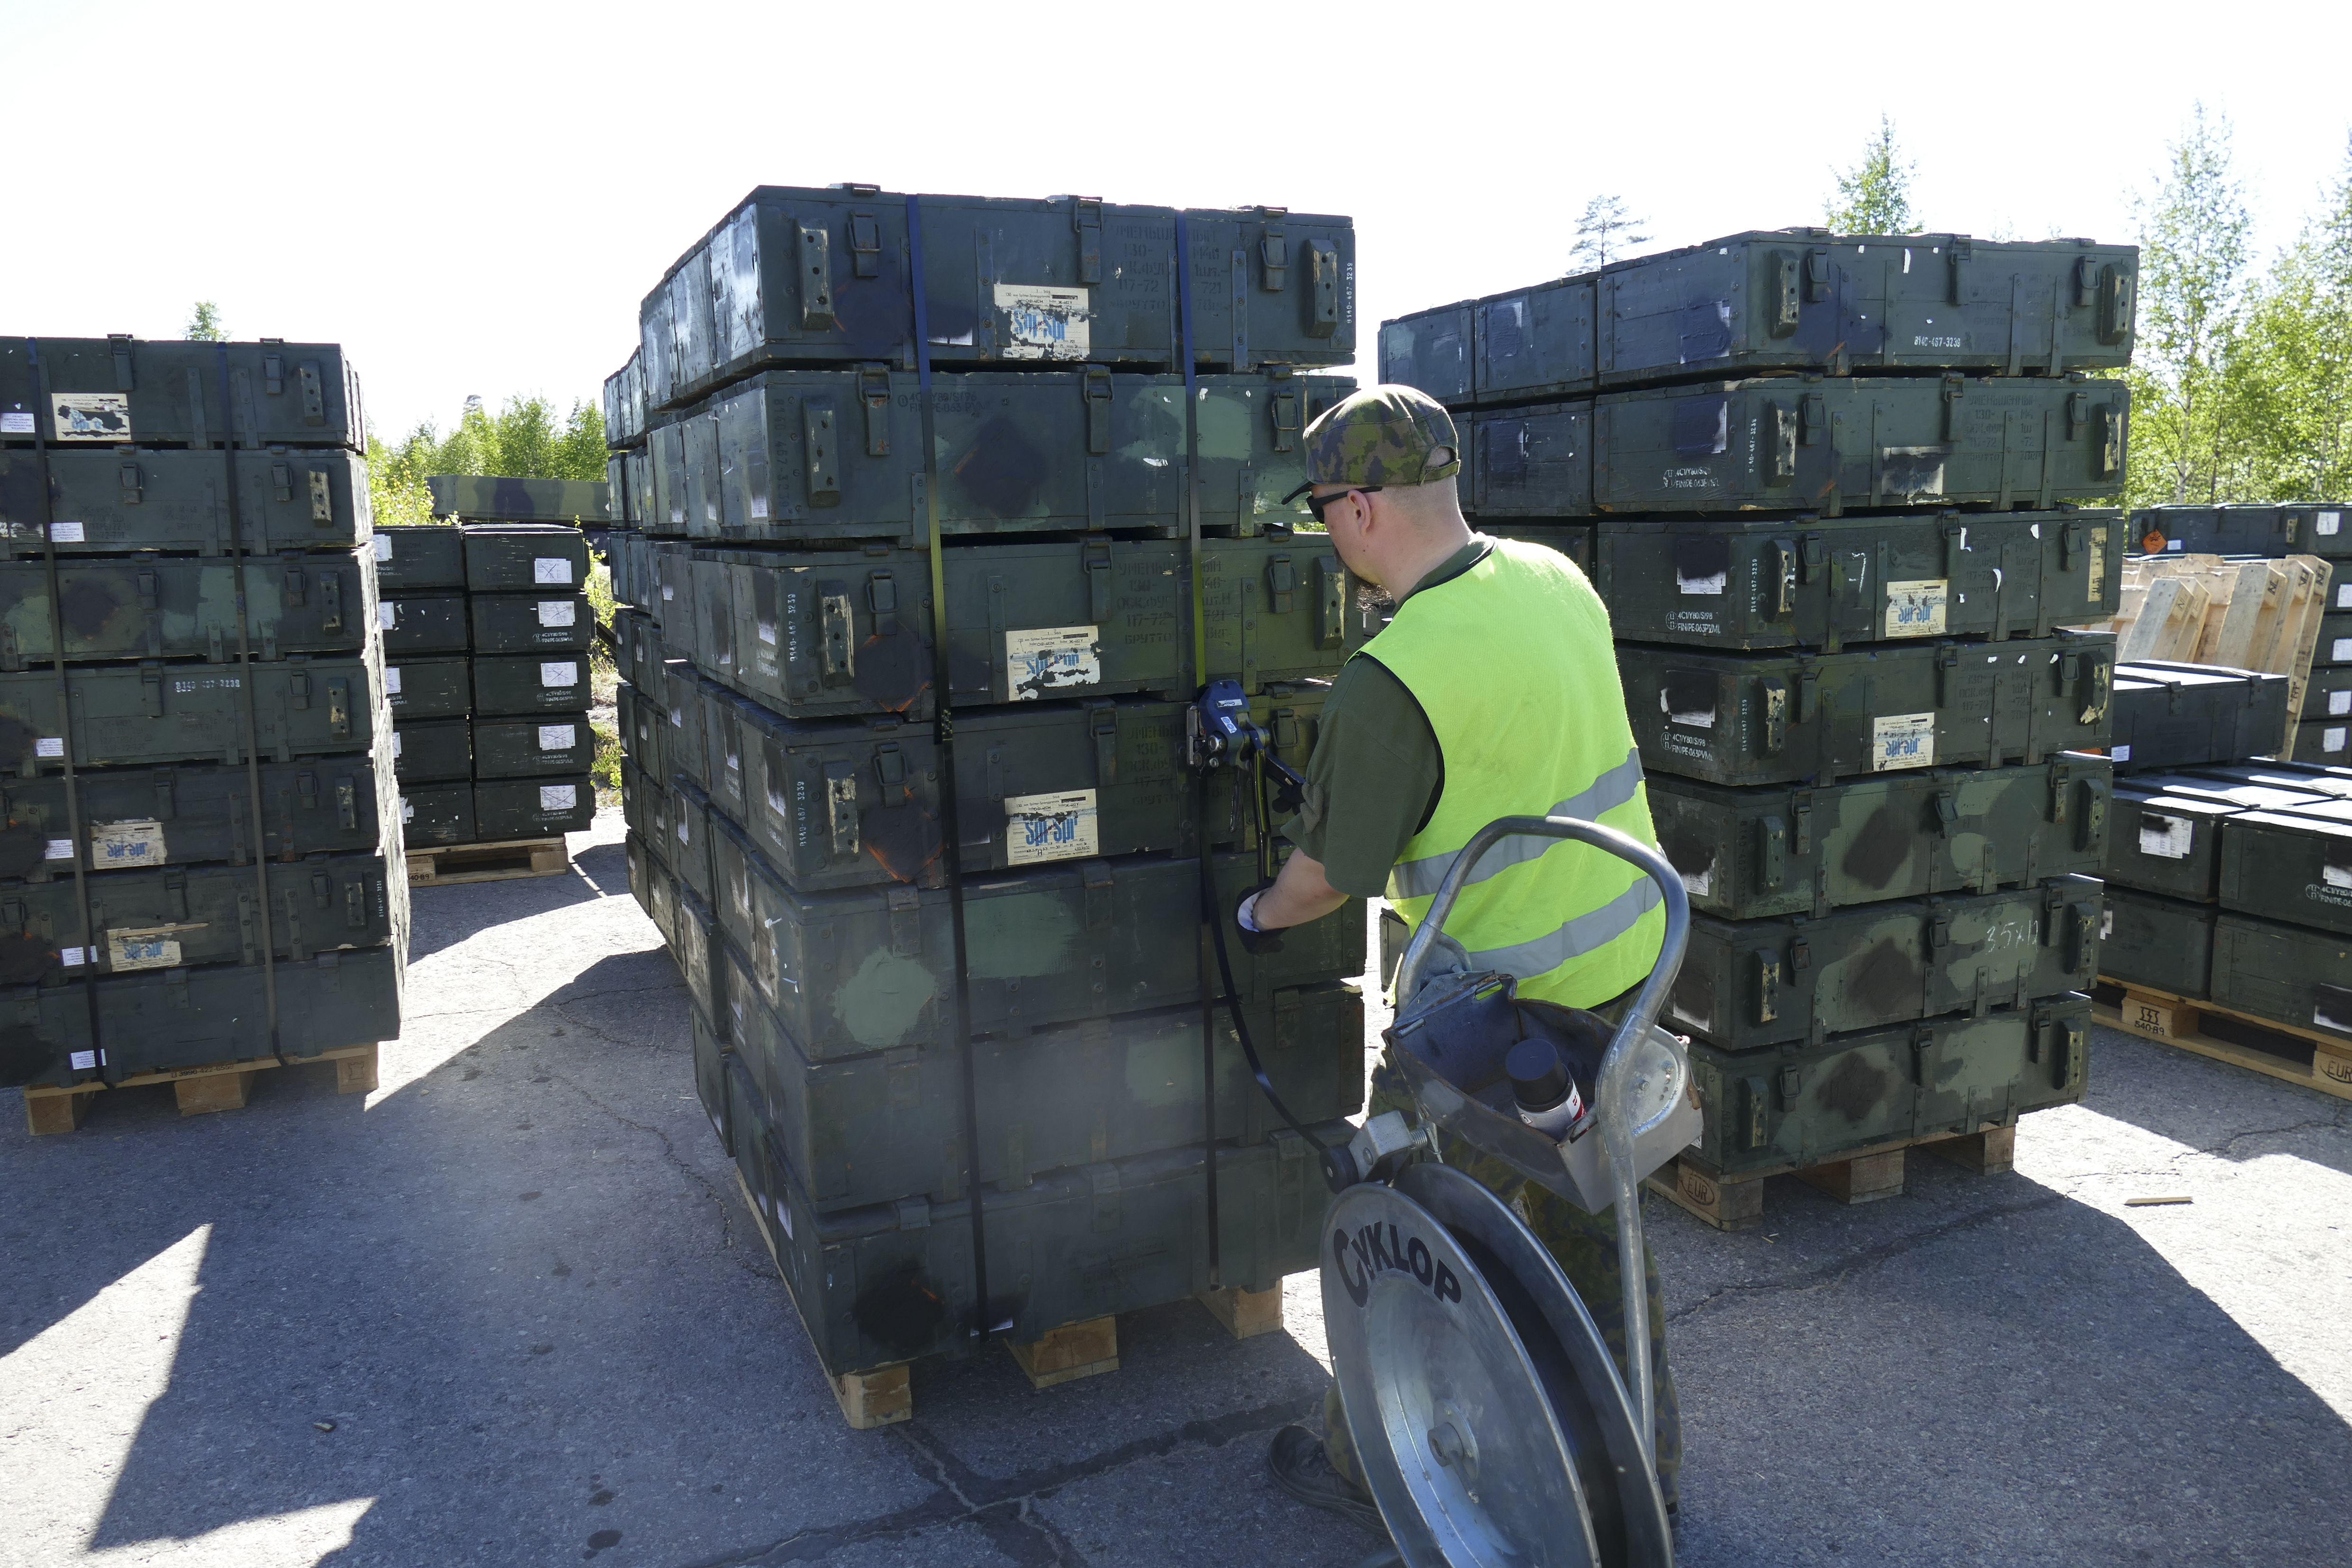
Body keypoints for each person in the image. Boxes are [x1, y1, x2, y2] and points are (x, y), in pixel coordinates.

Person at [1249, 385, 1682, 1533]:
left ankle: (1365, 1465)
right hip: (1628, 969)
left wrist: (1251, 914)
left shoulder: (1396, 675)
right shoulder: (1554, 578)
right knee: (1595, 1217)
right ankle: (1647, 1477)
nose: (1331, 532)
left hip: (1498, 1018)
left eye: (1329, 508)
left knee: (1409, 1230)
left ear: (1365, 507)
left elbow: (1322, 882)